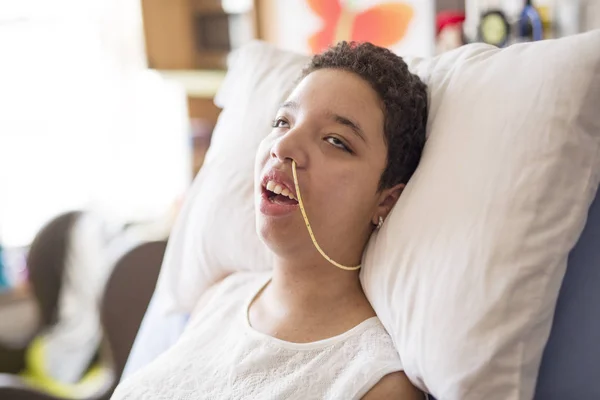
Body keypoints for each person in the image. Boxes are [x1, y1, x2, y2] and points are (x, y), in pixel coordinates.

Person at [112, 41, 428, 400]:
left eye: (336, 141)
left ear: (385, 200)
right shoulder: (220, 298)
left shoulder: (375, 384)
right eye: (282, 122)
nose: (284, 147)